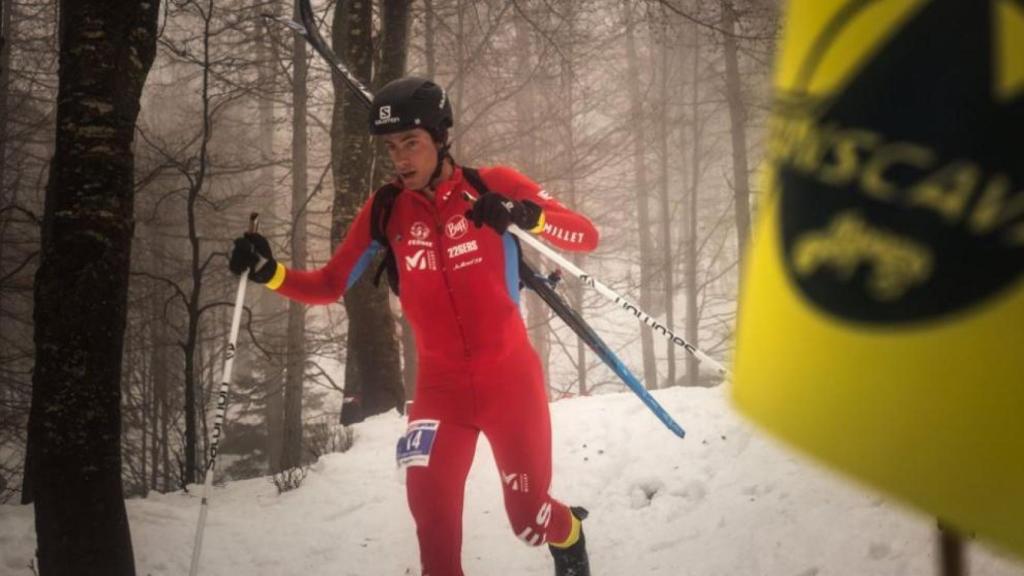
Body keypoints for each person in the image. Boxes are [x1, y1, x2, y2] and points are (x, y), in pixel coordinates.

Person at [230, 76, 599, 576]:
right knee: (434, 536)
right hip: (439, 393)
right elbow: (329, 283)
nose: (401, 158)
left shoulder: (490, 184)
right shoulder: (387, 209)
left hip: (509, 382)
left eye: (411, 143)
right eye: (392, 147)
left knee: (529, 520)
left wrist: (524, 215)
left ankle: (570, 535)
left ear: (440, 138)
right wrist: (267, 272)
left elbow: (585, 234)